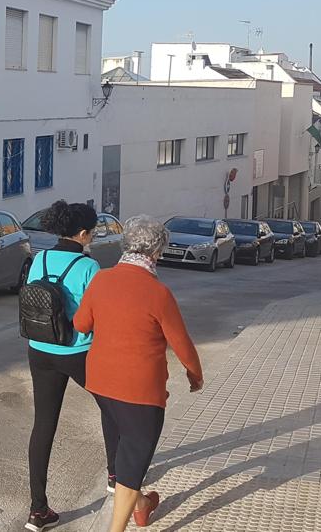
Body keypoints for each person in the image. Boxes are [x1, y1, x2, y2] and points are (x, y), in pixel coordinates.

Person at [73, 214, 204, 531]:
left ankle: (142, 506)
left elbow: (80, 325)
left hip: (101, 384)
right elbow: (181, 341)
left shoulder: (101, 279)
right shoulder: (158, 293)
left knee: (127, 455)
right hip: (141, 392)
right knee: (132, 463)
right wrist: (194, 374)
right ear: (156, 252)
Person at [24, 201, 100, 532]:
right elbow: (96, 316)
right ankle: (115, 477)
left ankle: (38, 511)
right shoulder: (88, 266)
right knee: (112, 409)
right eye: (92, 233)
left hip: (39, 349)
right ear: (82, 234)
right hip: (77, 352)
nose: (92, 238)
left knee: (43, 425)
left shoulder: (39, 258)